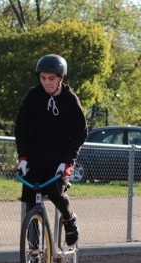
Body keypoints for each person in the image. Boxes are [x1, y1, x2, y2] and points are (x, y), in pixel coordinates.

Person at [14, 54, 87, 246]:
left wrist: (67, 161)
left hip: (59, 161)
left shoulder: (70, 100)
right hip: (34, 159)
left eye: (51, 79)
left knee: (55, 192)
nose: (47, 83)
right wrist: (22, 157)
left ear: (61, 78)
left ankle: (69, 220)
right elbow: (21, 128)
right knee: (29, 200)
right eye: (43, 78)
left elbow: (80, 133)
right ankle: (35, 252)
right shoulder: (33, 96)